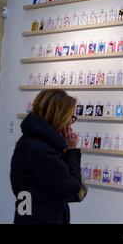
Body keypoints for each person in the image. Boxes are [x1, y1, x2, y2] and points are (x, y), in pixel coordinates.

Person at [10, 89, 87, 224]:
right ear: (59, 116)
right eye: (71, 117)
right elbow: (71, 189)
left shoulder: (32, 141)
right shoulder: (42, 151)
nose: (71, 123)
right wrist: (71, 152)